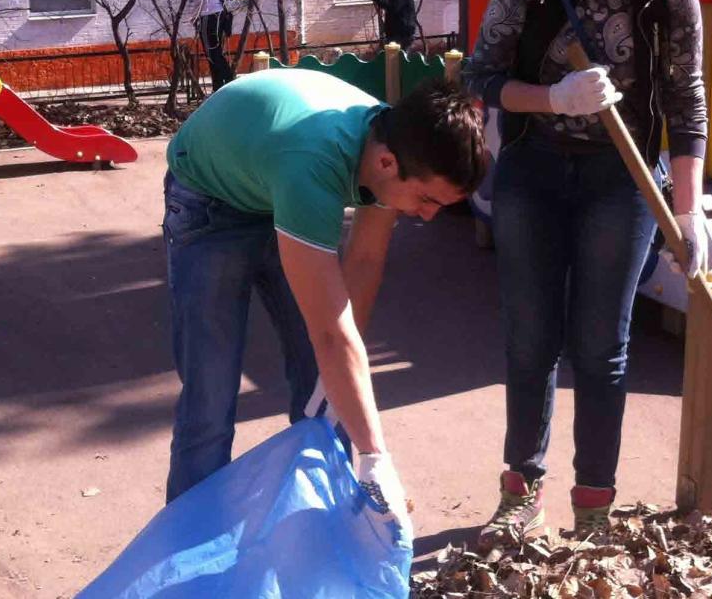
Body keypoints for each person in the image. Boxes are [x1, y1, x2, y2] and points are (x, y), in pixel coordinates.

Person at [463, 0, 708, 545]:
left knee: (603, 345)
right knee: (530, 337)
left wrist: (688, 211)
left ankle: (594, 504)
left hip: (622, 182)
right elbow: (479, 74)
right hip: (534, 170)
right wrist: (553, 97)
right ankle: (520, 489)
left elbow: (687, 96)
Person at [163, 68, 487, 527]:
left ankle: (316, 530)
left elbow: (364, 264)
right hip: (208, 200)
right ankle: (186, 549)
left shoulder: (391, 146)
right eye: (427, 199)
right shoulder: (314, 165)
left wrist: (337, 393)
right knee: (210, 396)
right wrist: (375, 456)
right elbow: (331, 334)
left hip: (272, 179)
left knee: (326, 388)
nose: (430, 217)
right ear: (388, 164)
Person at [186, 0, 235, 91]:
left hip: (208, 16)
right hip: (219, 14)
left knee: (212, 54)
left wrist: (193, 17)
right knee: (216, 52)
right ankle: (219, 87)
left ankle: (230, 80)